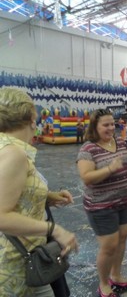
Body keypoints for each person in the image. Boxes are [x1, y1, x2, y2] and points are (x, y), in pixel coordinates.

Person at [0, 88, 78, 297]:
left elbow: (11, 192)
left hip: (23, 254)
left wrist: (48, 197)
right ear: (32, 118)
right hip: (14, 262)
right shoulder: (14, 154)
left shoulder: (6, 147)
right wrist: (54, 229)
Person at [77, 109, 127, 297]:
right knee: (109, 246)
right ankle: (103, 283)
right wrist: (109, 168)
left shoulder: (121, 142)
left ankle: (116, 275)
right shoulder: (88, 149)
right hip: (101, 206)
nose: (110, 128)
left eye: (112, 124)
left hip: (124, 202)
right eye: (105, 125)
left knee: (122, 239)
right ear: (95, 126)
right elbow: (86, 177)